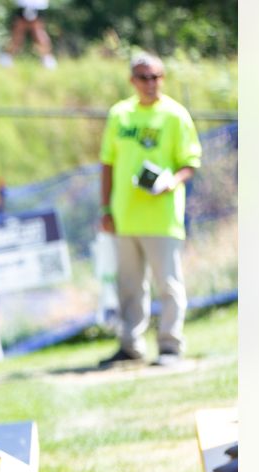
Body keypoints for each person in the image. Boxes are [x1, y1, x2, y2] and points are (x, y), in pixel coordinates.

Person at [98, 52, 202, 368]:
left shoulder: (175, 115)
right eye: (143, 77)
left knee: (167, 284)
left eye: (156, 76)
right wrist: (106, 208)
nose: (150, 83)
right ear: (132, 81)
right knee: (129, 285)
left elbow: (190, 162)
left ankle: (170, 345)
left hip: (162, 216)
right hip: (125, 215)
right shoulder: (120, 115)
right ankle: (131, 345)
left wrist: (173, 181)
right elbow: (107, 163)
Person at [0, 1, 56, 70]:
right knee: (17, 35)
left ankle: (47, 59)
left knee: (39, 34)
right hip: (22, 5)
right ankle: (6, 58)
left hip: (38, 6)